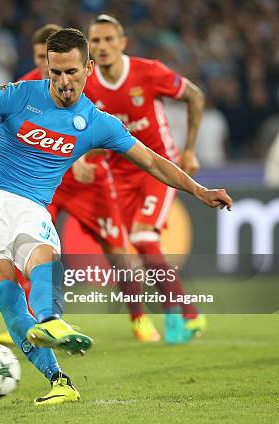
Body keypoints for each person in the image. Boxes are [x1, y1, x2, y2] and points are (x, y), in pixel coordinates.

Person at [0, 29, 232, 405]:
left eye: (71, 72)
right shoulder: (18, 94)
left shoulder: (97, 122)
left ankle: (53, 339)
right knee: (5, 290)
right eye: (54, 73)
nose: (62, 81)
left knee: (42, 252)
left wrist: (199, 190)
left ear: (88, 68)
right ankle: (57, 374)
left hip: (31, 206)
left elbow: (152, 160)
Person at [0, 24, 159, 344]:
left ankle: (139, 317)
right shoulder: (28, 87)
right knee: (26, 245)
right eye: (39, 58)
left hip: (91, 184)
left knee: (117, 250)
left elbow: (106, 130)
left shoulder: (83, 82)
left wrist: (83, 159)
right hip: (45, 185)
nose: (47, 68)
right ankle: (32, 320)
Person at [86, 15, 208, 343]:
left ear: (122, 42)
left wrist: (190, 150)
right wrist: (83, 161)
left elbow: (195, 95)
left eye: (109, 39)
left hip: (158, 169)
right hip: (117, 177)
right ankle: (188, 313)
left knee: (142, 237)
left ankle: (175, 316)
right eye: (96, 41)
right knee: (126, 249)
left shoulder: (148, 72)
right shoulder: (87, 84)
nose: (103, 46)